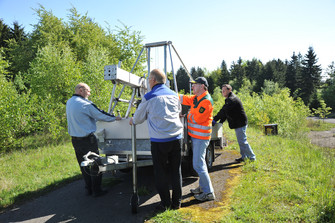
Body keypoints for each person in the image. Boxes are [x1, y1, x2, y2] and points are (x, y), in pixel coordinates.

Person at [129, 69, 183, 210]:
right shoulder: (174, 95)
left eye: (148, 79)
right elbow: (177, 111)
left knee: (160, 172)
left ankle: (165, 203)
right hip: (176, 138)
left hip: (159, 141)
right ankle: (176, 203)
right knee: (176, 171)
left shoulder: (149, 96)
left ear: (153, 80)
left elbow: (138, 118)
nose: (148, 81)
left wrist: (132, 120)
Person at [66, 83, 122, 197]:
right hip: (87, 140)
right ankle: (97, 190)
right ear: (81, 90)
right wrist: (115, 118)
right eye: (88, 90)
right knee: (96, 164)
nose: (89, 93)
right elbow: (100, 115)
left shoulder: (69, 102)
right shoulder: (85, 104)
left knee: (84, 165)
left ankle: (88, 189)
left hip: (75, 140)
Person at [179, 77, 215, 202]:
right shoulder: (196, 98)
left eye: (195, 85)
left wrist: (186, 115)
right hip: (196, 137)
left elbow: (197, 118)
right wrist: (169, 94)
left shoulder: (206, 101)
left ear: (202, 86)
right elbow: (183, 98)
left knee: (198, 164)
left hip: (201, 138)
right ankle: (202, 187)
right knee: (200, 163)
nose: (192, 87)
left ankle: (208, 192)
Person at [213, 84, 256, 162]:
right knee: (241, 141)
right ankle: (244, 157)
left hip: (240, 123)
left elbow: (223, 111)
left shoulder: (231, 99)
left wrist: (215, 119)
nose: (222, 92)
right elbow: (227, 112)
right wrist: (221, 121)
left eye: (224, 90)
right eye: (222, 91)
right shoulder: (230, 99)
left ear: (229, 90)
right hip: (239, 122)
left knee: (243, 141)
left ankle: (252, 157)